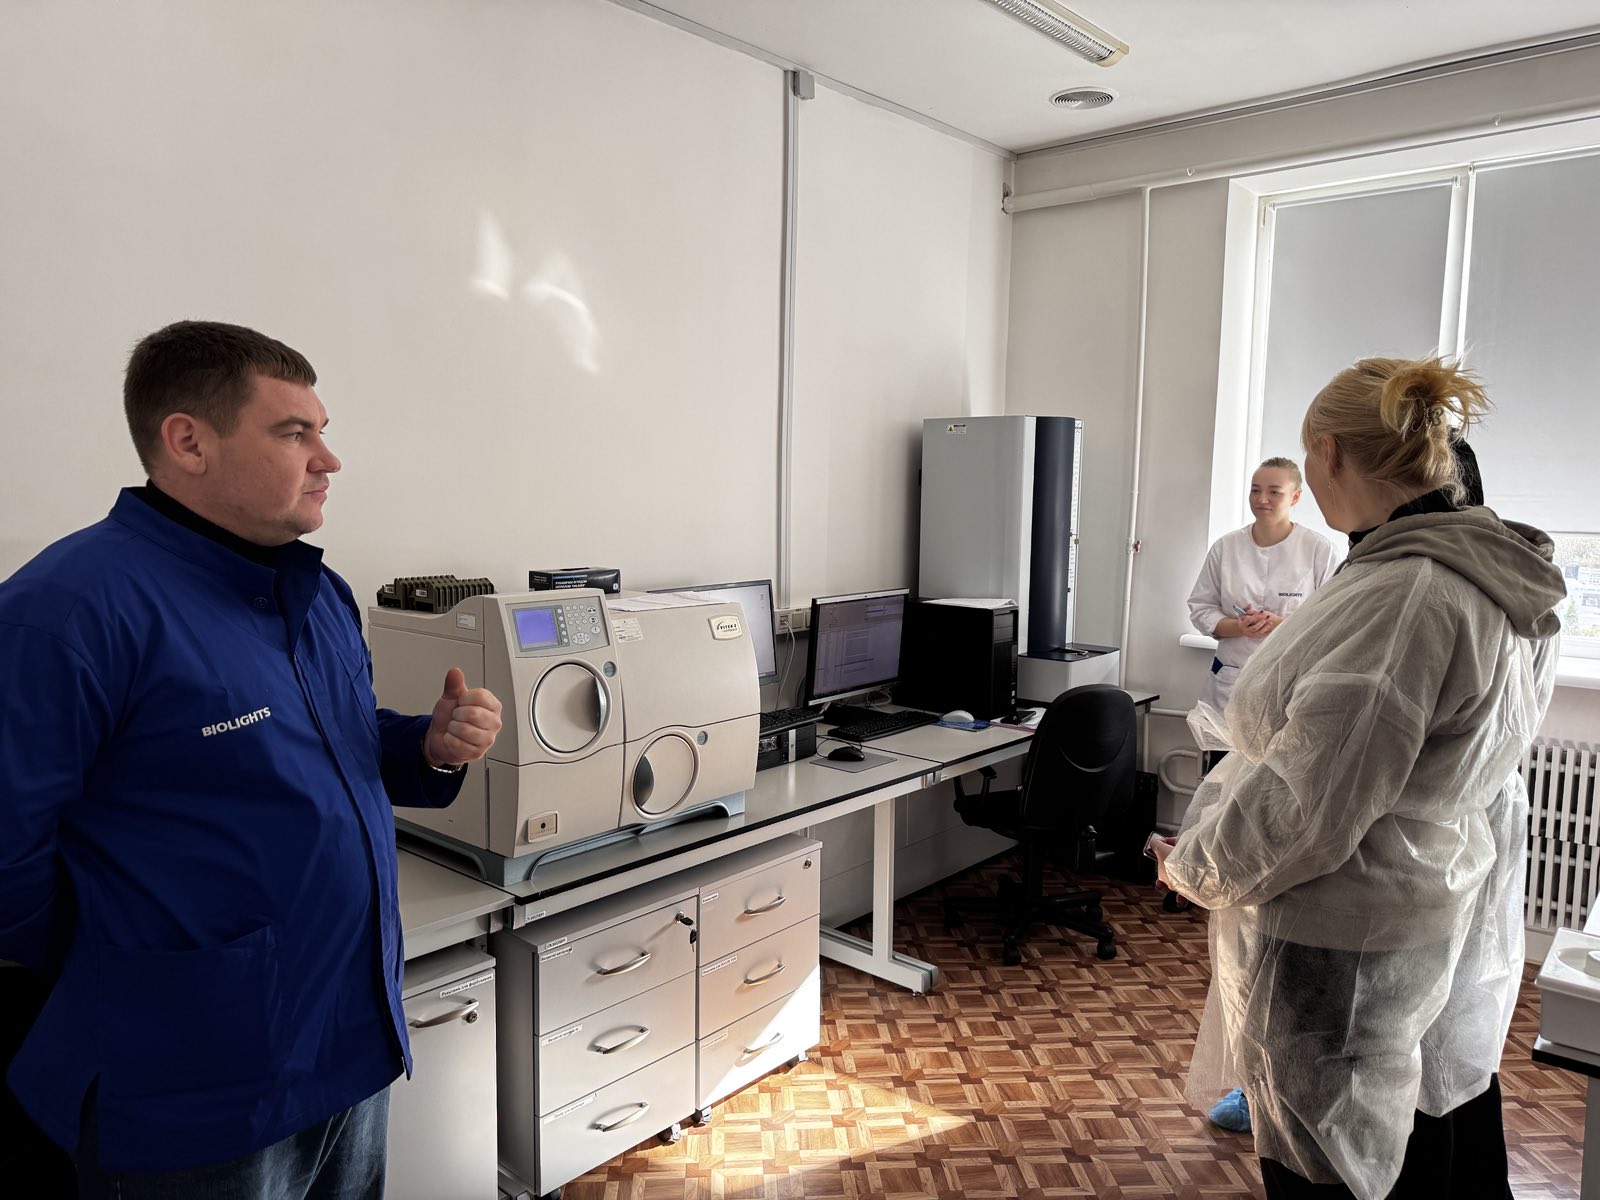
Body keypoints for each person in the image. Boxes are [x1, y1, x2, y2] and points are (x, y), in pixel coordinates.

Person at [0, 320, 505, 1197]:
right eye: (294, 432)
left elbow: (334, 742)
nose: (329, 460)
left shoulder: (316, 591)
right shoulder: (67, 612)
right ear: (188, 442)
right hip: (193, 1085)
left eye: (322, 431)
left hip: (350, 1039)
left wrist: (424, 745)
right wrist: (121, 964)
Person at [1153, 356, 1562, 1199]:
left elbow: (1307, 805)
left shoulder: (1406, 596)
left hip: (1340, 925)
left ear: (1329, 453)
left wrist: (1193, 866)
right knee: (1394, 1139)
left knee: (1328, 1162)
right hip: (1405, 900)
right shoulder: (1467, 572)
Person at [1187, 456, 1336, 728]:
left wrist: (1281, 625)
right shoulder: (1226, 547)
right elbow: (1201, 607)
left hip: (1289, 684)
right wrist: (1238, 627)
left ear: (1295, 497)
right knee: (1222, 753)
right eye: (1255, 490)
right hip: (1231, 683)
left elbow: (1331, 619)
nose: (1262, 499)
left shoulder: (1318, 549)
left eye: (1274, 492)